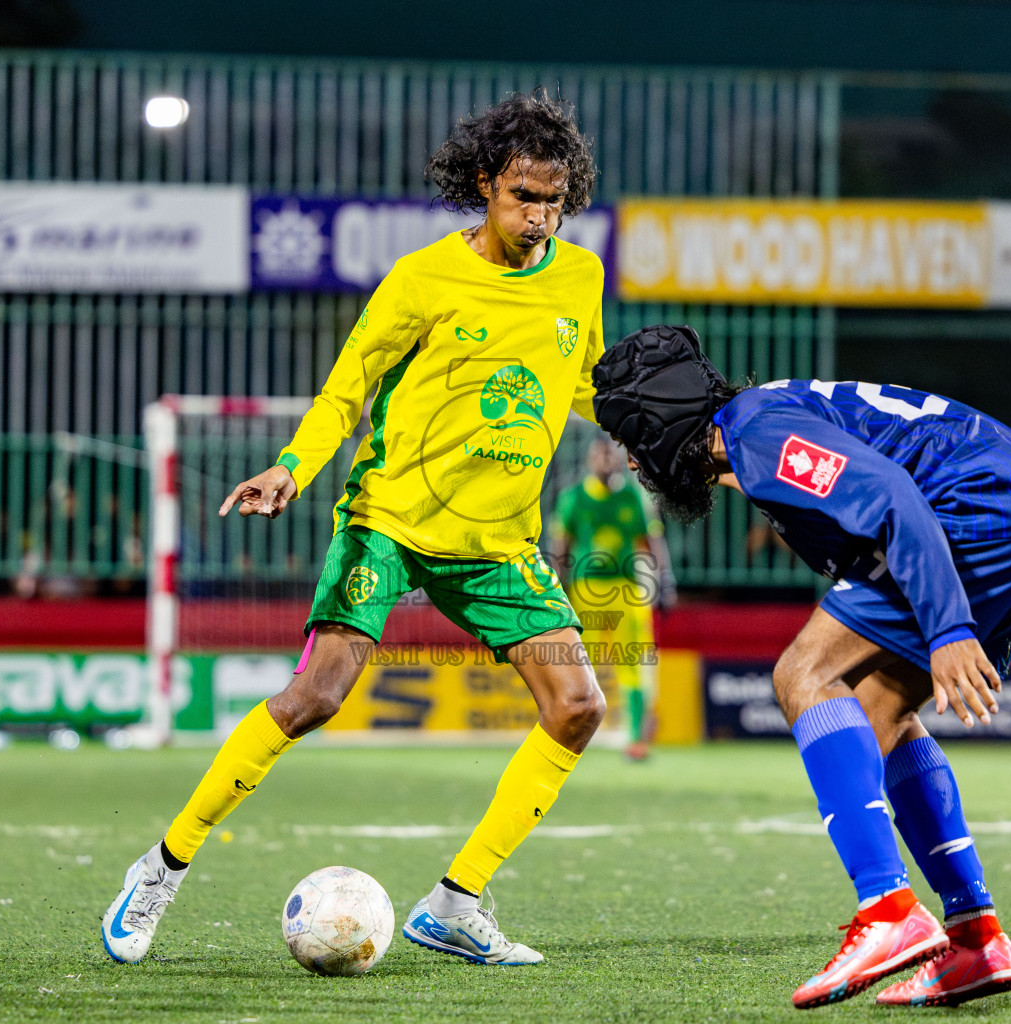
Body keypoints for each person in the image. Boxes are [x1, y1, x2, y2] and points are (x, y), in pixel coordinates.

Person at [102, 90, 606, 968]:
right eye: (524, 196)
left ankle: (455, 903)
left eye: (554, 199)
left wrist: (662, 436)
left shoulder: (580, 277)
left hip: (496, 541)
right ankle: (160, 868)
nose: (540, 216)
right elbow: (348, 388)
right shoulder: (420, 279)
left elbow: (584, 383)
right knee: (317, 696)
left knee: (577, 706)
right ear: (484, 185)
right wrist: (292, 466)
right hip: (392, 520)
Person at [592, 325, 1011, 1010]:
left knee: (802, 675)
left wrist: (948, 629)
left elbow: (891, 496)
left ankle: (887, 910)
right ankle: (976, 937)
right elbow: (929, 486)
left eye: (633, 440)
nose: (636, 464)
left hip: (983, 510)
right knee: (882, 706)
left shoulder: (760, 435)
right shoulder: (762, 433)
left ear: (661, 420)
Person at [550, 437, 674, 760]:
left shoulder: (633, 496)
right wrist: (556, 590)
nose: (607, 462)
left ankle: (635, 739)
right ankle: (570, 736)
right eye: (601, 456)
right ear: (591, 460)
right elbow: (561, 547)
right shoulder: (573, 497)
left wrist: (665, 582)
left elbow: (651, 541)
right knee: (578, 665)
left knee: (632, 662)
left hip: (626, 589)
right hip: (585, 590)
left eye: (612, 456)